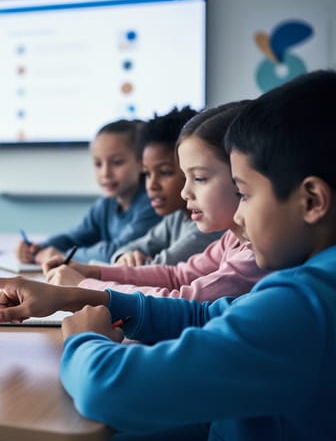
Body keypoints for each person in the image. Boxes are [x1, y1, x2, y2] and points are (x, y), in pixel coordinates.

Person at [0, 70, 336, 441]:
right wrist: (79, 294)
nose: (236, 217)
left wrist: (85, 342)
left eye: (246, 194)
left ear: (311, 200)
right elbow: (207, 314)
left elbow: (108, 391)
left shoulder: (308, 308)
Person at [44, 102, 268, 303]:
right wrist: (91, 272)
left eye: (199, 178)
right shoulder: (231, 240)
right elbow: (176, 276)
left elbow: (183, 301)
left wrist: (82, 286)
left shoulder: (256, 256)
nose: (185, 193)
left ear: (241, 177)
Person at [18, 120, 160, 265]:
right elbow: (73, 238)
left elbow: (115, 252)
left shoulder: (152, 203)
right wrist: (39, 248)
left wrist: (63, 256)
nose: (105, 173)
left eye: (117, 162)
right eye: (98, 164)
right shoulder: (105, 205)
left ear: (142, 162)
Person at [110, 106, 223, 266]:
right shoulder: (176, 218)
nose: (152, 185)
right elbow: (128, 249)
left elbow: (159, 271)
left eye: (165, 172)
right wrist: (125, 257)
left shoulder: (209, 227)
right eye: (147, 174)